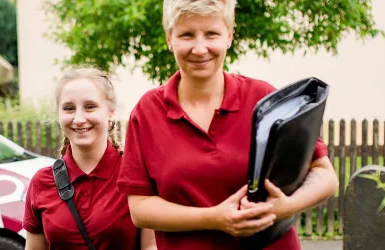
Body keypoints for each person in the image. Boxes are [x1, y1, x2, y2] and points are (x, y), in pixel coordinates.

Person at [116, 0, 339, 249]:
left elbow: (324, 174)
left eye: (211, 34)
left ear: (229, 36)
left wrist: (285, 206)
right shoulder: (148, 112)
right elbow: (140, 208)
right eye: (187, 35)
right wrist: (214, 218)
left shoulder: (262, 98)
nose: (200, 49)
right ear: (170, 39)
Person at [23, 66, 157, 250]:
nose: (79, 118)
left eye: (90, 107)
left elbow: (151, 247)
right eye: (69, 108)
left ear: (110, 112)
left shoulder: (136, 175)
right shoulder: (41, 182)